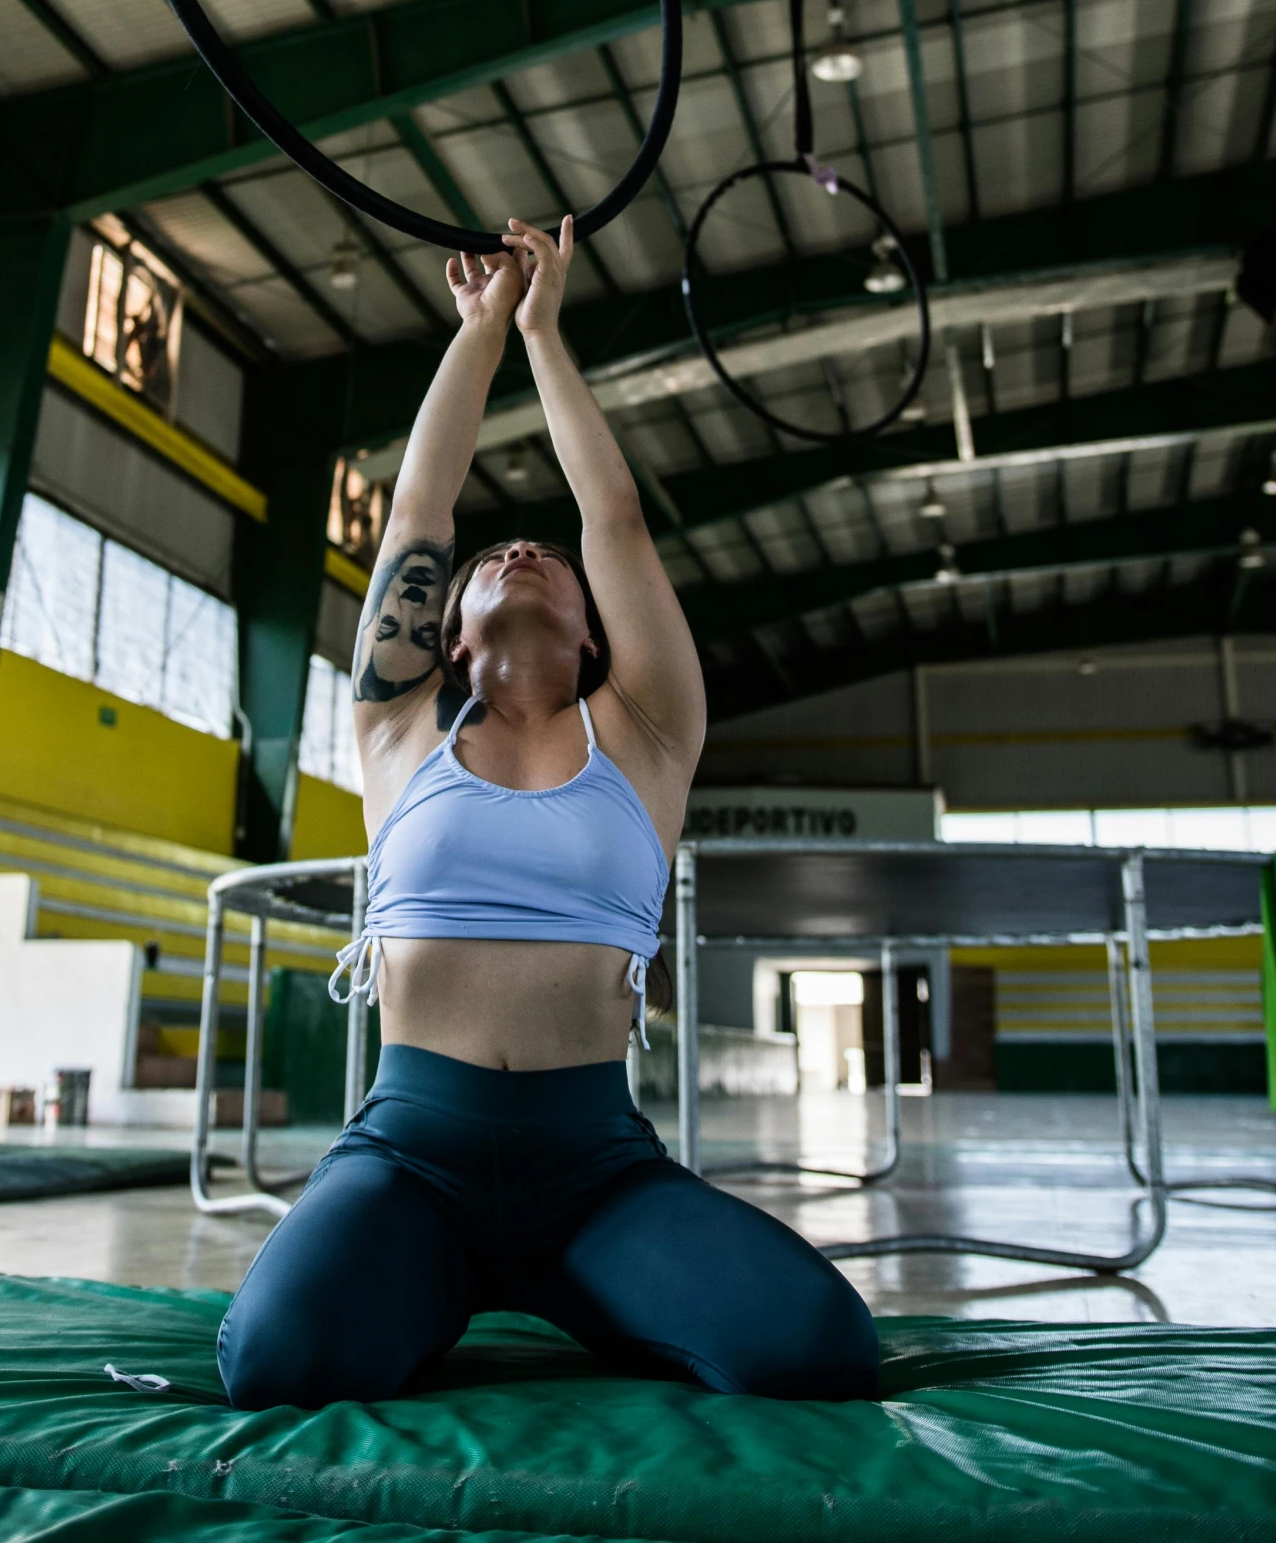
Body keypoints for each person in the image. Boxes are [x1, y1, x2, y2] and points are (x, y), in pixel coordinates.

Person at [217, 217, 878, 1409]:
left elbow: (611, 516)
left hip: (596, 1176)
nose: (517, 548)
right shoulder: (393, 728)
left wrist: (542, 333)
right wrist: (476, 335)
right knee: (277, 1362)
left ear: (591, 629)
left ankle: (584, 1287)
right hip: (410, 1157)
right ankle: (432, 1277)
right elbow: (419, 510)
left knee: (819, 1347)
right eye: (485, 564)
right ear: (447, 632)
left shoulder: (649, 734)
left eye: (549, 560)